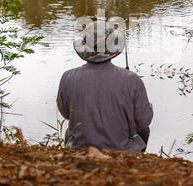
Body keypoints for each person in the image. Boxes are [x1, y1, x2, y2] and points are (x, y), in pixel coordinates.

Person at [56, 20, 153, 153]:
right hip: (123, 151)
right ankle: (139, 159)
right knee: (144, 130)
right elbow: (144, 121)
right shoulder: (132, 79)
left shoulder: (67, 77)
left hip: (81, 151)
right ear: (113, 47)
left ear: (86, 47)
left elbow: (66, 114)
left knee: (69, 130)